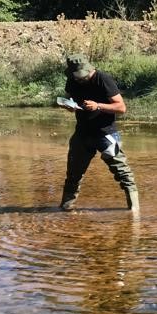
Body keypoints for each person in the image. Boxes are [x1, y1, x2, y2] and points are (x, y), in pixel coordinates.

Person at [58, 54, 139, 212]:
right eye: (77, 77)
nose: (80, 80)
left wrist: (98, 106)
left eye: (83, 76)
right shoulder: (72, 79)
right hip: (82, 134)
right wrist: (68, 105)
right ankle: (65, 210)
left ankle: (134, 211)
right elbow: (69, 97)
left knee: (122, 172)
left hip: (105, 134)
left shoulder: (103, 79)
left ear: (89, 69)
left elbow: (121, 108)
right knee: (73, 175)